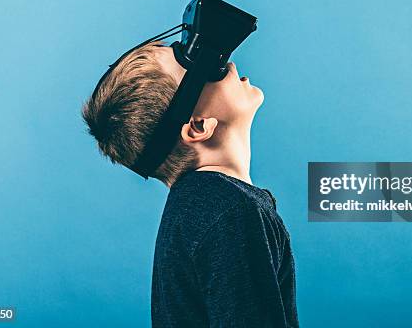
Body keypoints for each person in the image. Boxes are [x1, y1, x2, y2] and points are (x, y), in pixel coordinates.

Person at [81, 40, 299, 327]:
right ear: (197, 125)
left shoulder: (198, 205)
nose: (230, 65)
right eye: (210, 70)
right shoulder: (228, 211)